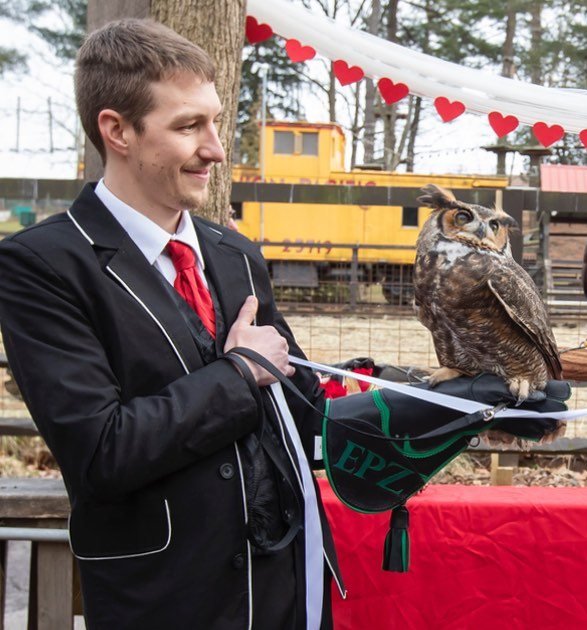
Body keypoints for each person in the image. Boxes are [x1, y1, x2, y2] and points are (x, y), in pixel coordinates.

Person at [0, 19, 343, 628]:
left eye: (215, 122)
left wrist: (439, 405)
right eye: (189, 126)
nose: (215, 148)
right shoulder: (42, 265)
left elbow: (303, 413)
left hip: (281, 592)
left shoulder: (236, 254)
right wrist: (240, 374)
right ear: (117, 131)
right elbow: (102, 451)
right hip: (165, 599)